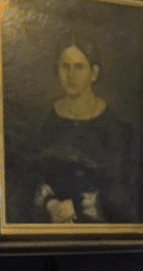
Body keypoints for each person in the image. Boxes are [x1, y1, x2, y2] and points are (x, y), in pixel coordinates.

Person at [31, 36, 136, 223]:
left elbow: (124, 193)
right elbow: (31, 180)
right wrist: (51, 205)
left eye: (79, 67)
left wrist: (76, 207)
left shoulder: (116, 129)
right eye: (65, 67)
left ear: (93, 73)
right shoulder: (46, 124)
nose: (71, 75)